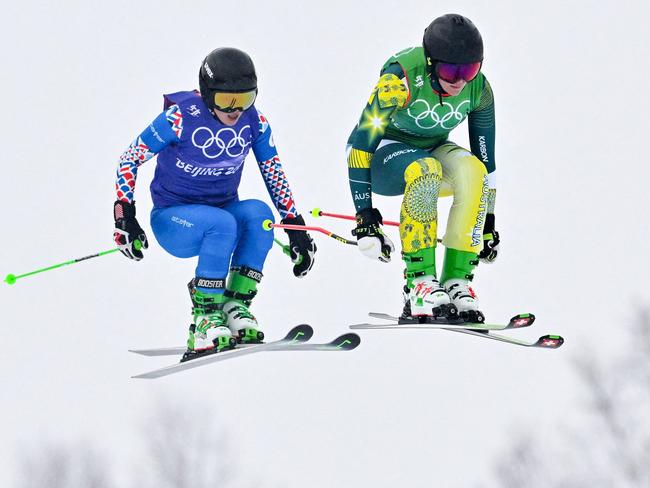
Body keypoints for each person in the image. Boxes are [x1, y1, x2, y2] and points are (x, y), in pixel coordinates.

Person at [113, 47, 316, 358]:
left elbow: (274, 173)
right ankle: (204, 317)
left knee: (260, 216)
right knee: (220, 223)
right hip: (174, 220)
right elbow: (129, 160)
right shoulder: (180, 117)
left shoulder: (255, 123)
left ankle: (235, 305)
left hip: (223, 219)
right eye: (225, 101)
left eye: (245, 99)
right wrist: (125, 217)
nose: (235, 110)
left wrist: (295, 228)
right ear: (208, 95)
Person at [346, 14, 500, 323]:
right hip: (382, 155)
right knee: (426, 168)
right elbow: (361, 146)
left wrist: (487, 221)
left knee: (473, 170)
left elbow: (487, 160)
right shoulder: (398, 80)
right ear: (430, 63)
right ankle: (418, 283)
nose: (458, 81)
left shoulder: (478, 90)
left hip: (429, 149)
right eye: (449, 70)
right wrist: (365, 217)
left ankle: (457, 280)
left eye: (468, 70)